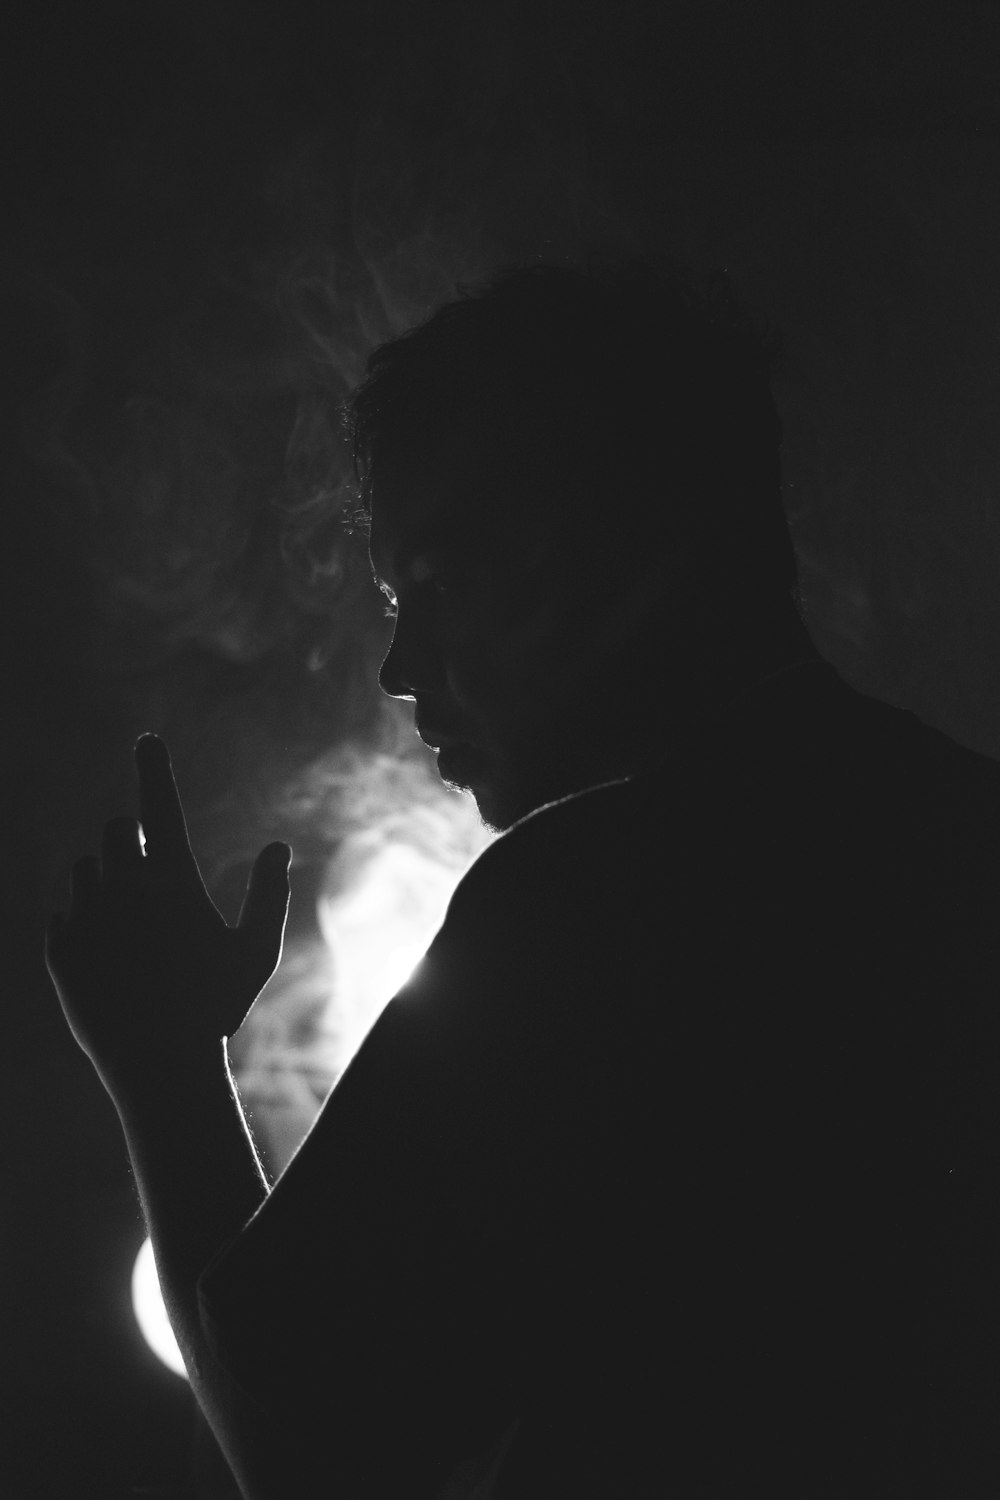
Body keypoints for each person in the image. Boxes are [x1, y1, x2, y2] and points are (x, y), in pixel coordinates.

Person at [46, 261, 1000, 1497]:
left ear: (629, 539)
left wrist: (165, 1066)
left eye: (439, 582)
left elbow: (309, 1448)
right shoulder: (964, 833)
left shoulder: (584, 907)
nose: (398, 664)